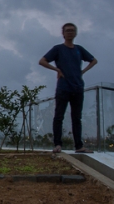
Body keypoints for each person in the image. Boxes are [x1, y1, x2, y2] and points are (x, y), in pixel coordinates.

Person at [39, 23, 97, 153]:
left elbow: (94, 60)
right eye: (67, 31)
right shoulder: (58, 49)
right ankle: (58, 144)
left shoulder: (79, 49)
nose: (70, 32)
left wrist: (83, 71)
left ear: (75, 33)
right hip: (63, 88)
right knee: (59, 116)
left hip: (78, 87)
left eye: (72, 30)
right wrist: (57, 70)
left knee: (77, 118)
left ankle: (79, 146)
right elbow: (42, 61)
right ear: (63, 33)